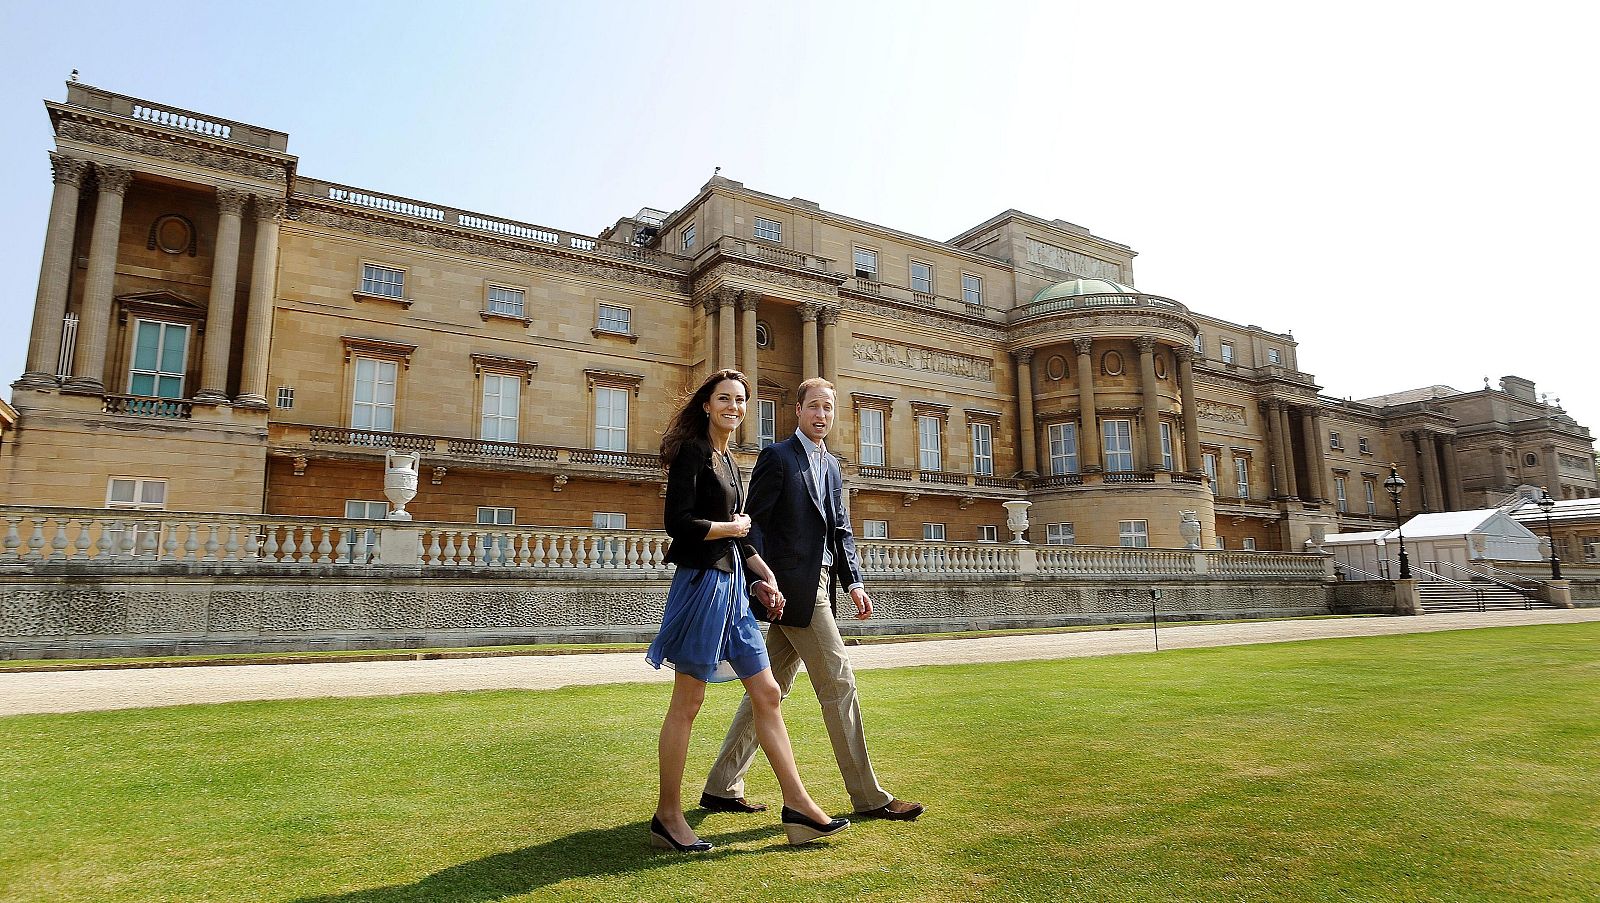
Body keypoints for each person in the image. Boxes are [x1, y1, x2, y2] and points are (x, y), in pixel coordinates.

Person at [701, 377, 925, 822]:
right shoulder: (778, 457)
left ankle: (722, 785)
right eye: (814, 407)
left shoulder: (833, 466)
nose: (822, 415)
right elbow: (755, 524)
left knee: (770, 690)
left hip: (820, 584)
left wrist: (854, 582)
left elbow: (840, 530)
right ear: (797, 411)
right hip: (793, 589)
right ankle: (870, 797)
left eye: (829, 408)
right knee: (839, 682)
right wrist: (760, 580)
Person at [645, 368, 849, 852]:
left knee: (769, 692)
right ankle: (667, 817)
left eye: (740, 400)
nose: (734, 408)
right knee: (688, 704)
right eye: (725, 399)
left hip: (735, 584)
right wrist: (731, 531)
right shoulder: (694, 453)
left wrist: (763, 572)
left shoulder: (732, 459)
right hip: (702, 586)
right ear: (706, 405)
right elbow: (679, 524)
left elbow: (740, 530)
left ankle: (798, 807)